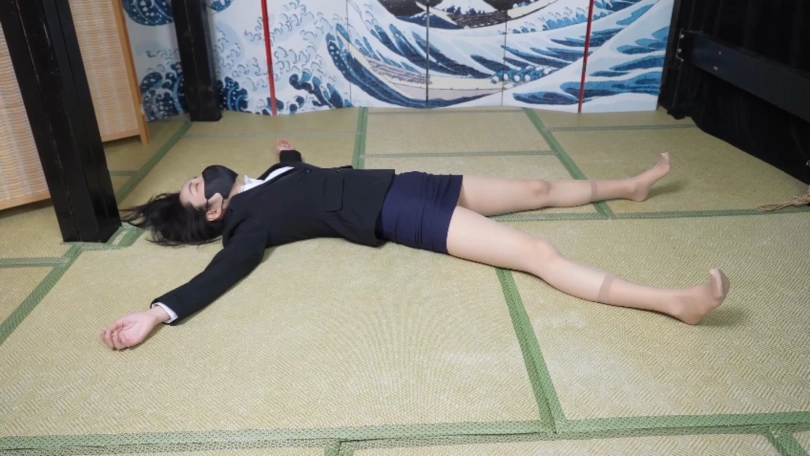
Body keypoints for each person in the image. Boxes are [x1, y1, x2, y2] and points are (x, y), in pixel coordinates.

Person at [100, 139, 730, 350]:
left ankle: (631, 186)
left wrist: (288, 153)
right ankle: (673, 302)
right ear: (214, 210)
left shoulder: (266, 179)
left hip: (408, 182)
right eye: (196, 187)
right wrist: (157, 312)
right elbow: (224, 270)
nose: (202, 175)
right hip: (400, 214)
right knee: (537, 254)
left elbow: (299, 174)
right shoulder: (247, 224)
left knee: (536, 187)